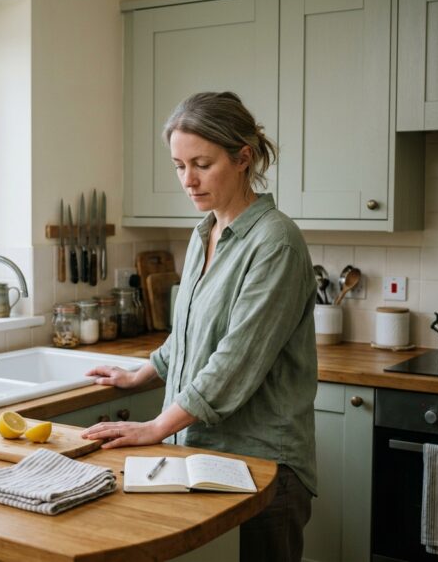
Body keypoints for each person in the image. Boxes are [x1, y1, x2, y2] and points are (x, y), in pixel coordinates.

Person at [81, 91, 318, 561]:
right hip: (200, 452)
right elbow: (190, 334)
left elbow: (235, 360)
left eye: (202, 164)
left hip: (262, 462)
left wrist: (154, 428)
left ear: (243, 158)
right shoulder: (203, 234)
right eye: (178, 165)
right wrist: (141, 374)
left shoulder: (275, 242)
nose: (188, 180)